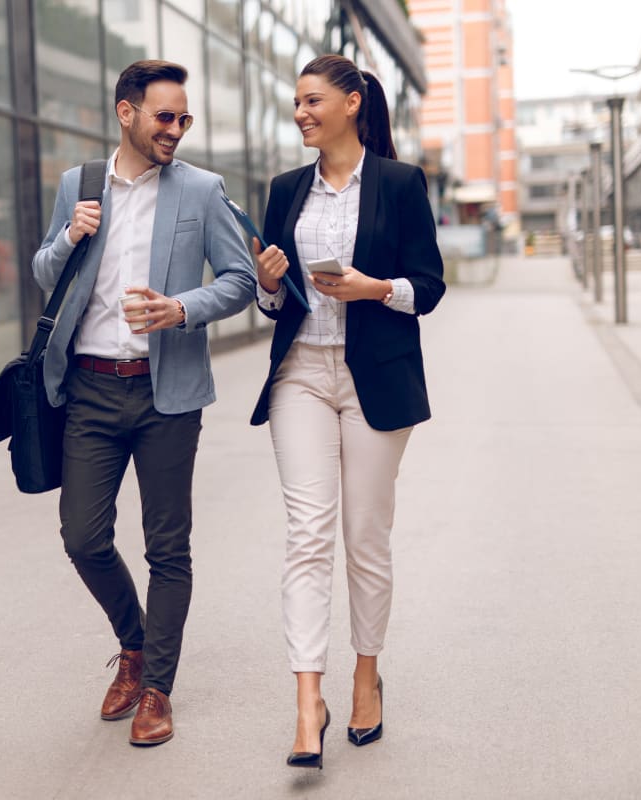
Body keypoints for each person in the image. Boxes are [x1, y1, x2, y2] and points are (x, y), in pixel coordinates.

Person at [32, 60, 256, 747]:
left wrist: (180, 308)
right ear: (126, 113)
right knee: (83, 537)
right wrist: (69, 236)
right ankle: (132, 643)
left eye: (184, 118)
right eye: (165, 116)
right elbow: (46, 273)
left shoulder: (200, 189)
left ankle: (156, 686)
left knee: (168, 547)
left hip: (167, 396)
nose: (176, 130)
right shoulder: (80, 184)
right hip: (91, 390)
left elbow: (241, 279)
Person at [249, 54, 445, 769]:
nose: (301, 113)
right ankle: (308, 702)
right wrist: (269, 285)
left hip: (375, 381)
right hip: (300, 372)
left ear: (352, 102)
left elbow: (429, 286)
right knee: (307, 535)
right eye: (295, 103)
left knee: (365, 536)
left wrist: (374, 289)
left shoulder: (399, 184)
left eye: (311, 100)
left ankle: (366, 675)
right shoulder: (284, 190)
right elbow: (274, 304)